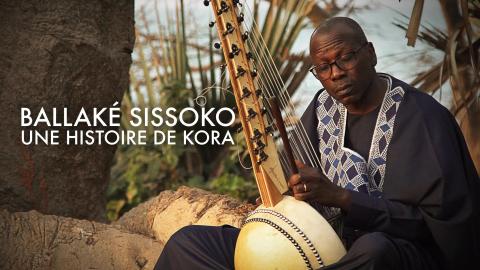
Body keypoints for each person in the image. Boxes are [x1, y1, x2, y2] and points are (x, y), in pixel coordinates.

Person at [154, 17, 480, 270]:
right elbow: (289, 184)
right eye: (323, 67)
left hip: (396, 253)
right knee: (191, 244)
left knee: (373, 251)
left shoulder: (423, 118)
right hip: (316, 244)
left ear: (371, 53)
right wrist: (284, 193)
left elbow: (440, 228)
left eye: (344, 59)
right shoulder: (322, 108)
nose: (335, 73)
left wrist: (342, 198)